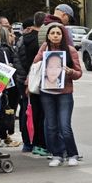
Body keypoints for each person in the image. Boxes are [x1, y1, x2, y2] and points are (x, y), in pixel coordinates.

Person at [32, 22, 83, 167]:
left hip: (64, 93)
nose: (55, 36)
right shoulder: (44, 48)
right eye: (52, 33)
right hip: (46, 92)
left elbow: (79, 73)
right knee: (51, 126)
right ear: (48, 35)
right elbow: (35, 65)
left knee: (65, 125)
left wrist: (70, 72)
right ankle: (57, 154)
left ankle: (72, 154)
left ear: (63, 36)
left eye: (58, 33)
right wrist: (43, 60)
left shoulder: (70, 50)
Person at [17, 12, 48, 158]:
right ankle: (39, 143)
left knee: (27, 111)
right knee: (40, 113)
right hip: (36, 79)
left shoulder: (22, 39)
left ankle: (27, 143)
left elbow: (18, 59)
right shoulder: (41, 41)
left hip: (24, 79)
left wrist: (24, 77)